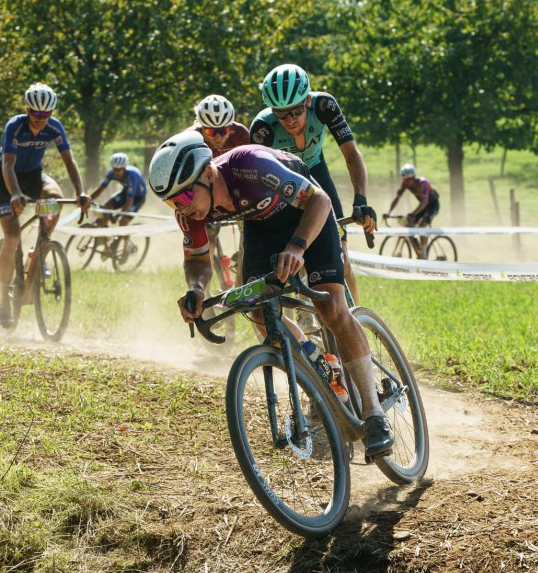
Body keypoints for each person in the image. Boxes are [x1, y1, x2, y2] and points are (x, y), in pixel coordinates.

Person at [150, 129, 394, 460]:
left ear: (208, 173)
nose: (181, 208)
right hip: (262, 227)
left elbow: (320, 201)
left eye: (184, 198)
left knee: (331, 308)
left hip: (309, 215)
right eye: (171, 202)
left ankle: (374, 413)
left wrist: (297, 246)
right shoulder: (190, 210)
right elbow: (196, 258)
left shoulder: (250, 165)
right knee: (260, 314)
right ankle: (320, 366)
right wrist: (195, 289)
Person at [249, 64, 376, 302]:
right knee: (296, 248)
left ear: (307, 100)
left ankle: (356, 320)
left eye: (296, 111)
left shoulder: (324, 106)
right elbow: (259, 181)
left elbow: (352, 155)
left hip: (316, 171)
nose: (290, 120)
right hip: (283, 182)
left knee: (342, 255)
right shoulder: (263, 128)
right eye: (281, 113)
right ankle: (304, 307)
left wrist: (361, 199)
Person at [0, 82, 90, 327]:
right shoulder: (15, 126)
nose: (40, 119)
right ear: (27, 110)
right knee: (12, 238)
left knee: (55, 198)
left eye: (45, 114)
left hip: (35, 176)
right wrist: (15, 194)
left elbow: (69, 160)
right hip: (8, 178)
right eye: (36, 113)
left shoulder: (54, 127)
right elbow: (7, 165)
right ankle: (4, 298)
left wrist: (80, 192)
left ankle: (41, 246)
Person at [193, 94, 250, 286]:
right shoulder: (192, 139)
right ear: (201, 127)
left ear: (231, 126)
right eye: (211, 131)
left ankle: (243, 272)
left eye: (223, 130)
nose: (218, 137)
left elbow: (251, 167)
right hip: (207, 195)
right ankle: (205, 287)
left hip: (235, 191)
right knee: (206, 237)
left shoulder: (241, 134)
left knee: (251, 231)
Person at [89, 152, 147, 225]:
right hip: (126, 192)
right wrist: (88, 199)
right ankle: (104, 233)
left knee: (123, 222)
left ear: (124, 168)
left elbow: (129, 201)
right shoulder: (111, 173)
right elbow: (100, 189)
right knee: (106, 208)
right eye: (114, 169)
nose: (116, 172)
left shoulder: (132, 176)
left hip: (138, 198)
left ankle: (124, 235)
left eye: (119, 170)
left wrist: (117, 216)